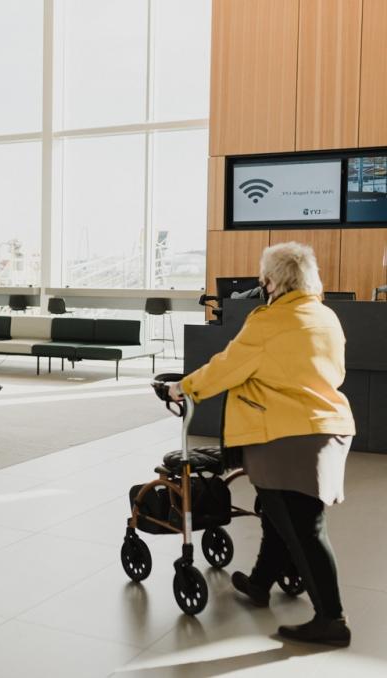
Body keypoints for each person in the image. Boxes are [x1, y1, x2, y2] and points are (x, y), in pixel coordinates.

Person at [169, 241, 355, 647]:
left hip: (286, 435)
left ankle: (331, 619)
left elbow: (228, 367)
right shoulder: (326, 317)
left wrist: (183, 388)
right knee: (276, 512)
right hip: (327, 428)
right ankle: (259, 583)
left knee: (305, 528)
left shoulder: (270, 322)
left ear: (271, 280)